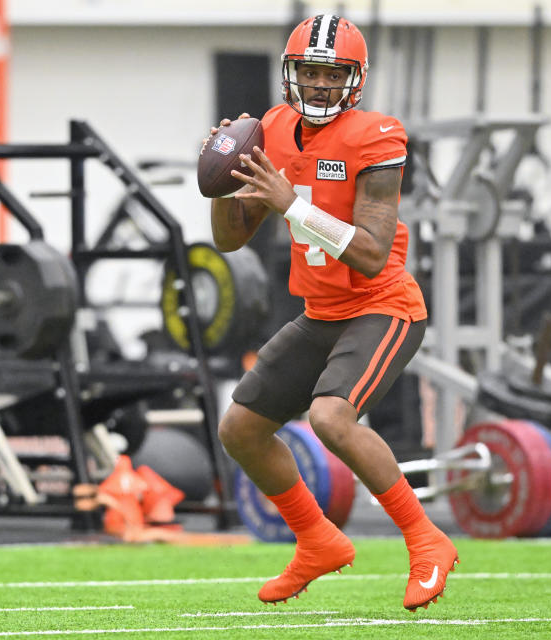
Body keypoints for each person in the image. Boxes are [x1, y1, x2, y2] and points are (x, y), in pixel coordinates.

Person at [204, 14, 458, 611]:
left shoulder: (379, 135)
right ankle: (316, 539)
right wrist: (217, 183)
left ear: (355, 79)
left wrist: (291, 204)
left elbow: (371, 255)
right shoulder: (271, 127)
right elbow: (231, 239)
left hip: (383, 306)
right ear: (292, 73)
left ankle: (427, 541)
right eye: (310, 71)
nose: (319, 84)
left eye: (332, 73)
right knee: (240, 428)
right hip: (322, 311)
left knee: (331, 417)